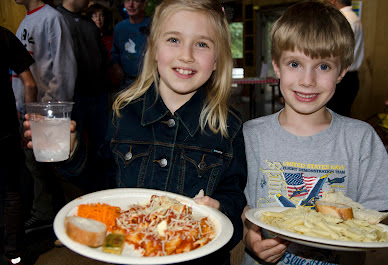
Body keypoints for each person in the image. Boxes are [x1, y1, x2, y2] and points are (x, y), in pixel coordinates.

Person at [25, 0, 247, 264]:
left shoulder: (228, 125)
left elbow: (234, 197)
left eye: (202, 44)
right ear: (153, 49)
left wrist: (220, 211)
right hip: (128, 252)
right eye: (174, 39)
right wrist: (73, 153)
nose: (186, 55)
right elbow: (103, 187)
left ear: (217, 60)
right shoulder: (122, 113)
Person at [241, 1, 388, 265]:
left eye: (323, 66)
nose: (307, 80)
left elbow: (383, 216)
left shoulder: (361, 139)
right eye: (294, 64)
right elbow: (241, 205)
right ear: (277, 66)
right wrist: (249, 236)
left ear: (342, 71)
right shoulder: (251, 135)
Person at [12, 0, 77, 234]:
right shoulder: (27, 19)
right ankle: (48, 214)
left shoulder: (51, 18)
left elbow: (63, 67)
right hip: (28, 109)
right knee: (35, 165)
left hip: (44, 109)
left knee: (53, 165)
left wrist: (50, 110)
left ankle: (53, 218)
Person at [56, 0, 111, 192]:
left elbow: (104, 58)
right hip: (73, 98)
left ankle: (103, 193)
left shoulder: (89, 24)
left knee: (103, 146)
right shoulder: (57, 19)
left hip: (99, 97)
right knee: (72, 151)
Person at [0, 25, 37, 265]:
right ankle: (13, 254)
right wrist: (28, 121)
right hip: (4, 128)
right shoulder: (2, 35)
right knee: (11, 191)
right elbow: (30, 84)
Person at [327, 0, 364, 117]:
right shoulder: (355, 19)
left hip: (341, 78)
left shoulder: (342, 20)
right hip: (352, 77)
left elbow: (334, 52)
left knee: (333, 118)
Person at [110, 0, 151, 89]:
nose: (131, 5)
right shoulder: (119, 28)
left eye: (136, 1)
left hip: (148, 82)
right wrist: (116, 66)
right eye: (127, 1)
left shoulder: (152, 25)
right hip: (127, 83)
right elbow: (115, 52)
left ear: (143, 4)